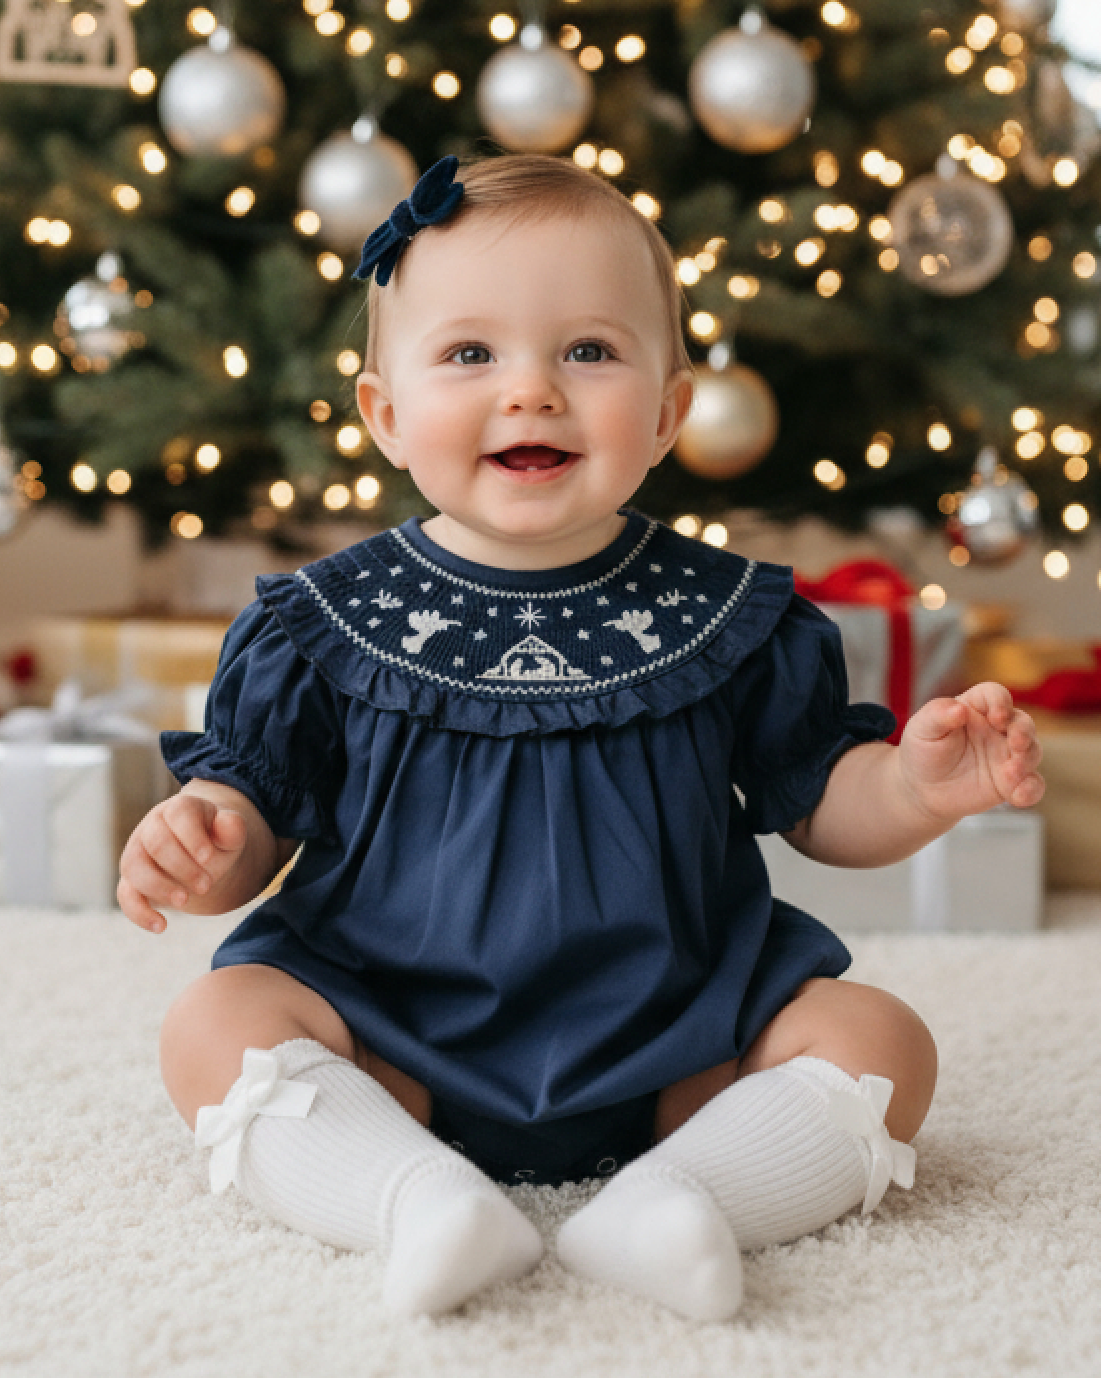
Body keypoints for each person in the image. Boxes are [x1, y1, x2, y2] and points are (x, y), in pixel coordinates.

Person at [118, 153, 1045, 1323]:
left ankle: (686, 1200)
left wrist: (913, 786)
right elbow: (259, 811)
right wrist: (212, 836)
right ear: (385, 414)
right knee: (215, 1022)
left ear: (665, 411)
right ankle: (411, 1197)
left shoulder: (731, 615)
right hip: (392, 1037)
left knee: (880, 1037)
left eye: (588, 351)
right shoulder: (320, 624)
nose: (532, 391)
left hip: (683, 1040)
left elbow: (819, 798)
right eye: (471, 353)